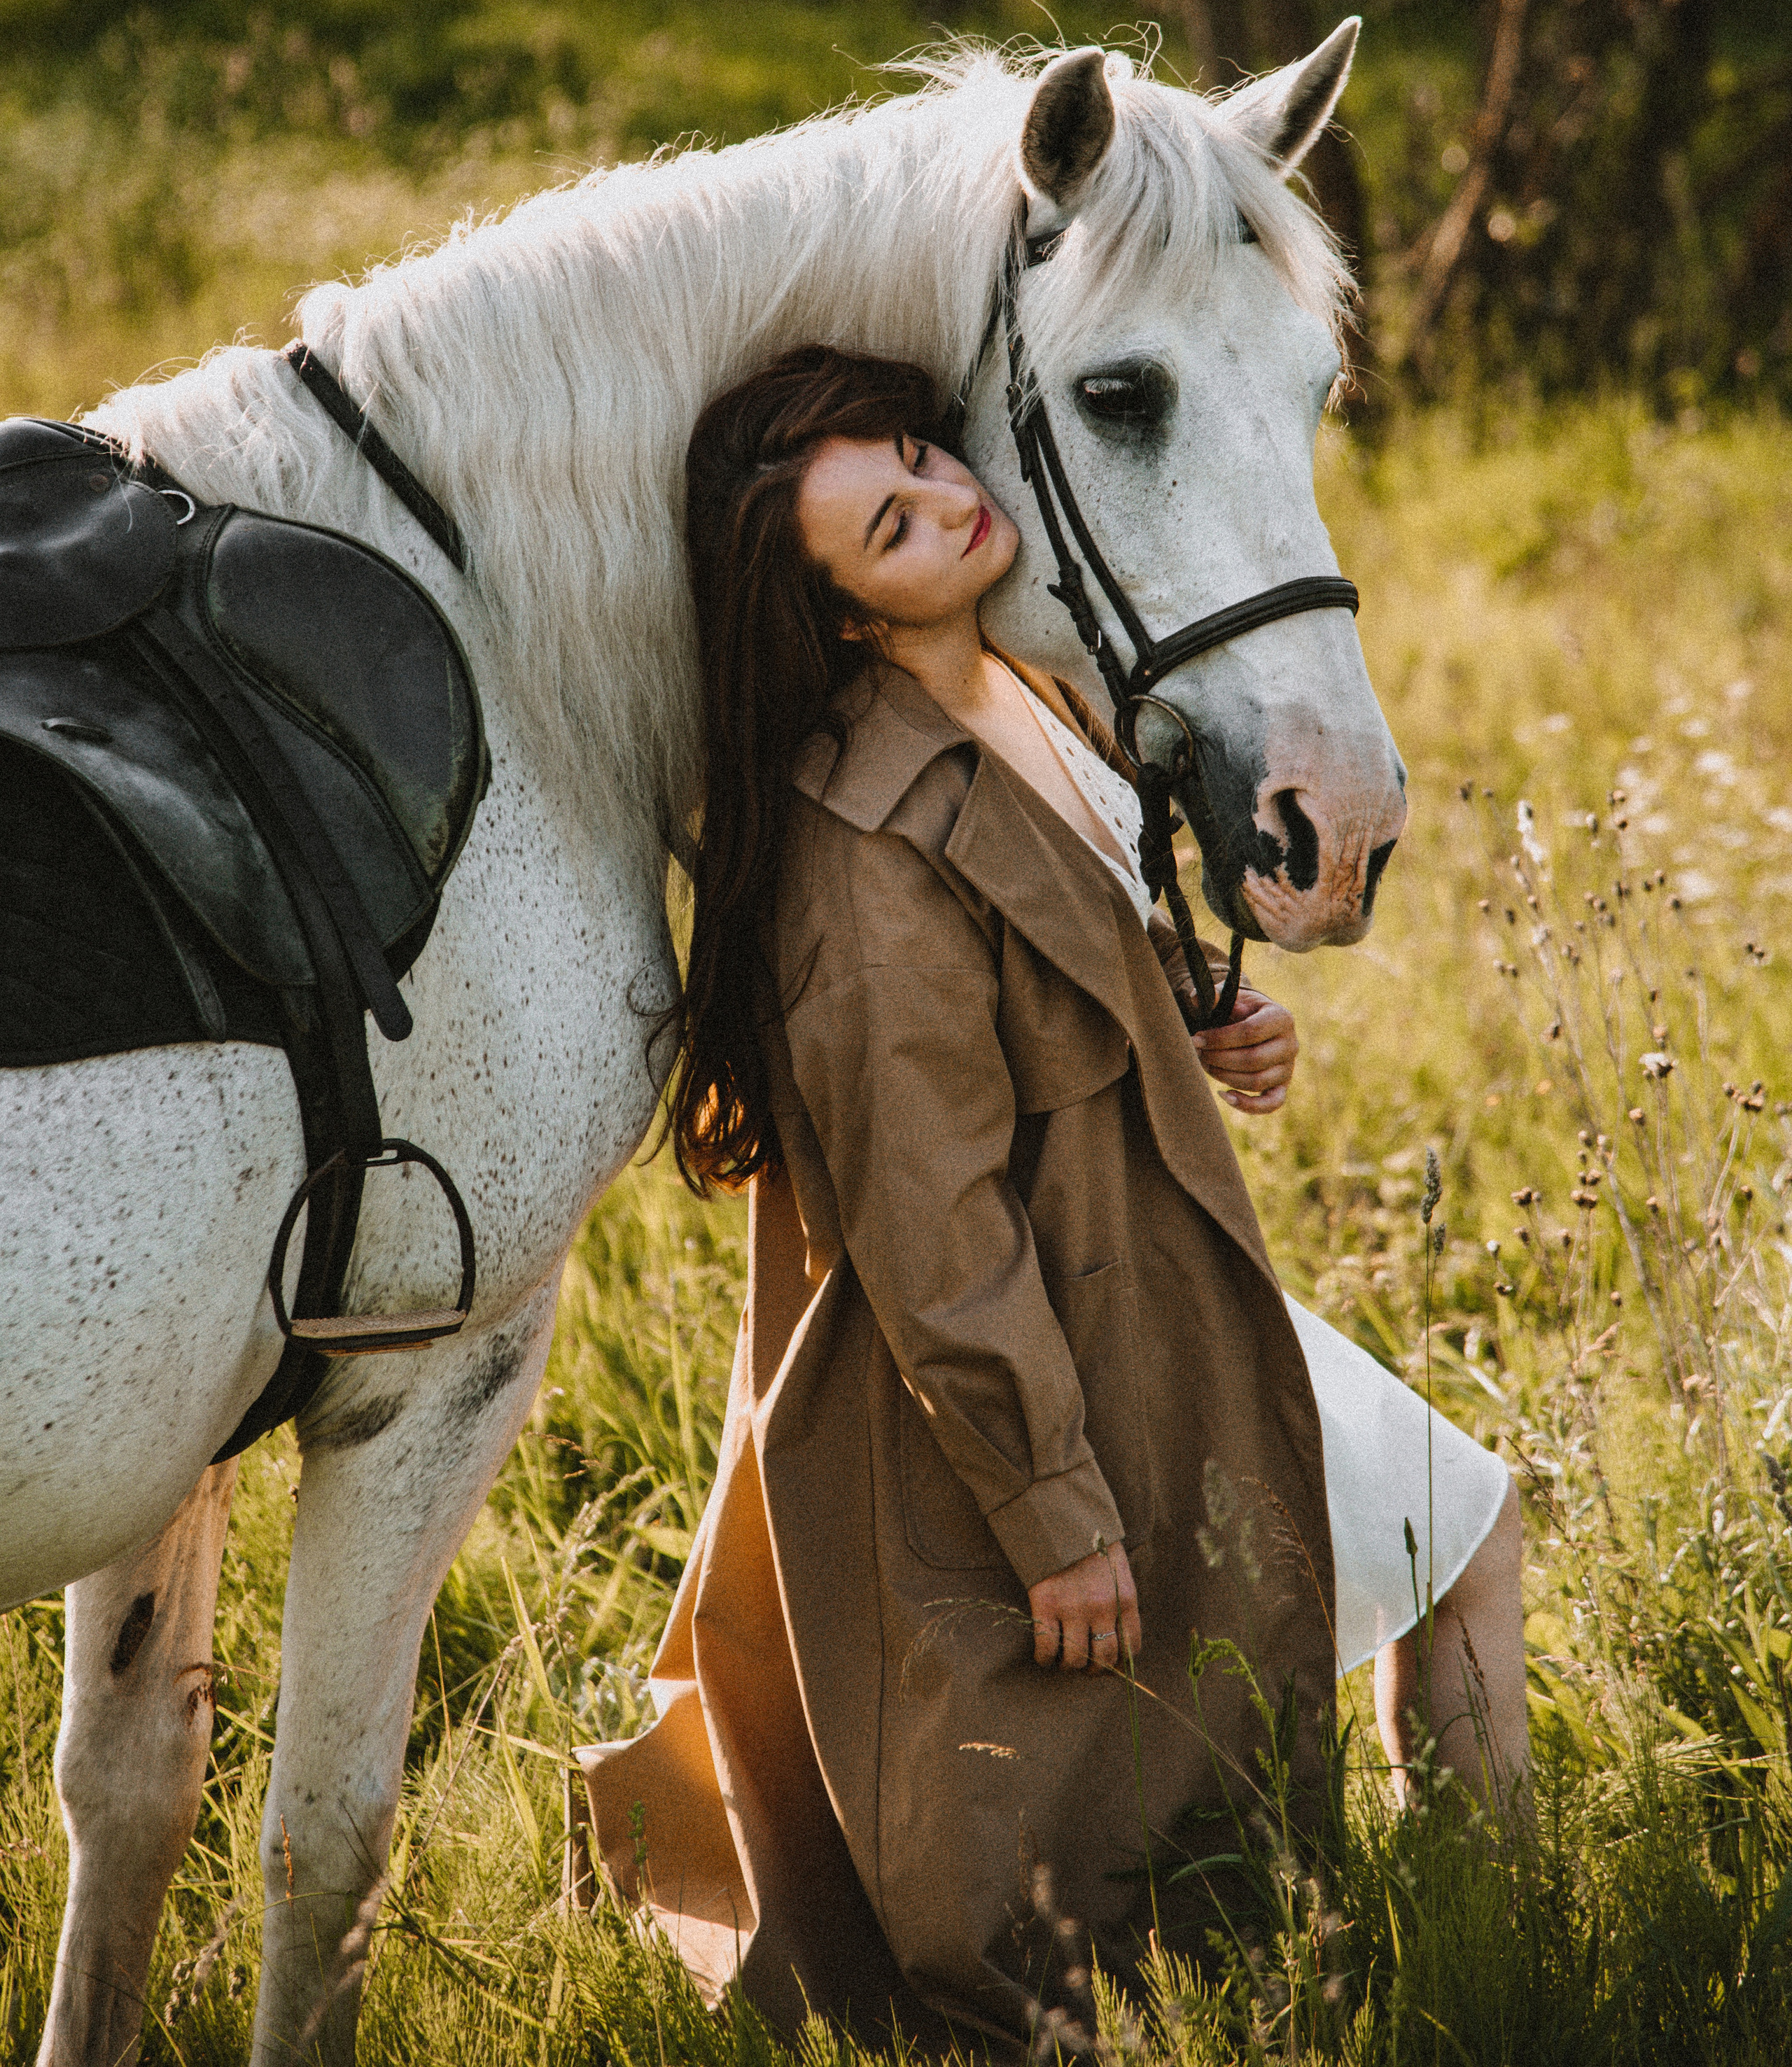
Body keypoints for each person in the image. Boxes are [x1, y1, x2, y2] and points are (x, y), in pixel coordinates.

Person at [579, 346, 1523, 2056]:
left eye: (925, 459)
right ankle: (1462, 1938)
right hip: (1056, 1345)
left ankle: (1467, 1915)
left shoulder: (1024, 681)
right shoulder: (858, 853)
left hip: (1150, 1281)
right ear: (849, 619)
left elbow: (1063, 943)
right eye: (890, 522)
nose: (951, 499)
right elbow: (931, 1214)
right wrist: (1052, 1508)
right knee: (1418, 1555)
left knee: (1453, 1524)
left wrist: (1192, 1011)